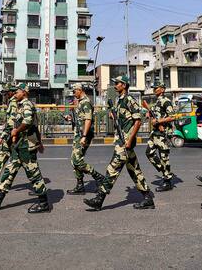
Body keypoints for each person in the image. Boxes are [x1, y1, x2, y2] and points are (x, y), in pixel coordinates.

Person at [83, 75, 154, 211]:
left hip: (125, 142)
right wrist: (112, 114)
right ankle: (147, 198)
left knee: (112, 169)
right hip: (120, 140)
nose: (115, 85)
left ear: (124, 85)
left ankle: (99, 199)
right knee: (134, 171)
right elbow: (118, 116)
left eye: (118, 83)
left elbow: (137, 121)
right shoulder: (119, 101)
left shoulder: (129, 100)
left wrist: (130, 139)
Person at [0, 83, 51, 213]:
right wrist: (39, 142)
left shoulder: (26, 105)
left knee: (34, 174)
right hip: (19, 146)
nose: (15, 93)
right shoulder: (20, 106)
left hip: (27, 146)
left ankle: (44, 203)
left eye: (18, 91)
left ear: (24, 93)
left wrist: (17, 131)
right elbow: (35, 126)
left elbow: (29, 122)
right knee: (9, 171)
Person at [64, 83, 105, 195]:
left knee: (77, 160)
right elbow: (80, 119)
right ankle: (80, 186)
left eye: (74, 91)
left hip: (83, 135)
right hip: (78, 134)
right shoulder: (81, 102)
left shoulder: (86, 102)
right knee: (74, 161)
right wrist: (70, 119)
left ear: (79, 90)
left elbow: (88, 120)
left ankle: (99, 177)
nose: (73, 94)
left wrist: (84, 136)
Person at [145, 81, 177, 192]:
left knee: (164, 157)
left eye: (156, 88)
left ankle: (167, 181)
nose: (154, 90)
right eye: (154, 88)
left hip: (163, 134)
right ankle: (165, 171)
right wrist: (149, 114)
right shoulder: (157, 102)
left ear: (162, 89)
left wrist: (159, 121)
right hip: (154, 133)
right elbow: (154, 115)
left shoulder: (166, 101)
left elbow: (173, 117)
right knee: (149, 153)